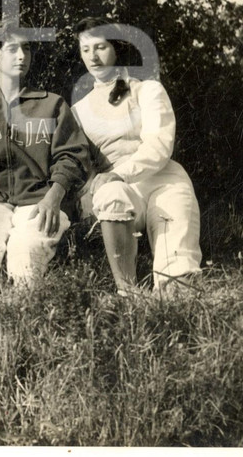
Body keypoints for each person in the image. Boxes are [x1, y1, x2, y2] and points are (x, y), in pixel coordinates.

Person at [0, 19, 90, 289]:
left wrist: (54, 197)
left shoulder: (51, 104)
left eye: (26, 49)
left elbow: (72, 155)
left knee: (25, 254)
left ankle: (23, 319)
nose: (22, 56)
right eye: (12, 49)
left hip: (40, 200)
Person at [71, 17, 202, 294]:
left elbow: (159, 145)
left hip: (163, 179)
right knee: (110, 194)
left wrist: (119, 173)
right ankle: (128, 293)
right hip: (117, 188)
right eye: (85, 50)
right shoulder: (79, 111)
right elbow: (83, 164)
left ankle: (172, 294)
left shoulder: (147, 90)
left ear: (116, 47)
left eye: (100, 47)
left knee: (178, 279)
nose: (93, 57)